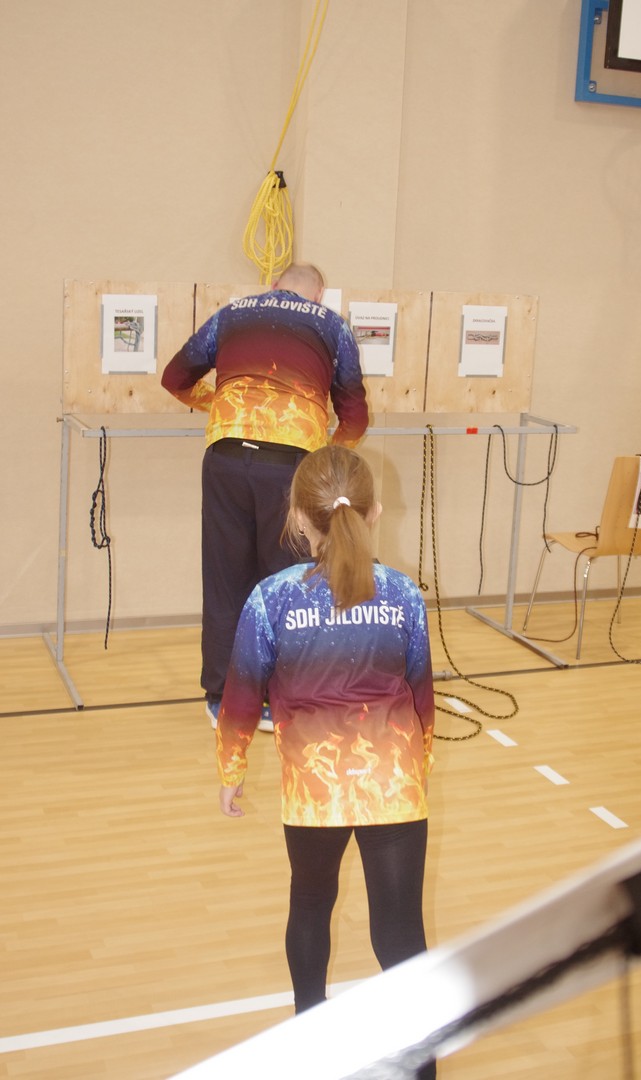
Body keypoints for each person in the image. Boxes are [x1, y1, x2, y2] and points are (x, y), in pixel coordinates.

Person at [216, 445, 437, 1079]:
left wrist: (231, 772)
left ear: (295, 516)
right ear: (375, 512)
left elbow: (239, 699)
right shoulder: (404, 595)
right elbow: (422, 697)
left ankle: (309, 1048)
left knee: (310, 904)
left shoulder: (271, 599)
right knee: (400, 933)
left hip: (313, 791)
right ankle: (421, 1068)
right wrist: (416, 766)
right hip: (395, 785)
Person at [161, 263, 368, 730]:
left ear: (273, 285)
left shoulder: (232, 313)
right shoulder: (332, 326)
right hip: (290, 463)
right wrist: (331, 451)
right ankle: (279, 699)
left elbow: (174, 377)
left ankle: (222, 700)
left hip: (225, 455)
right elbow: (354, 412)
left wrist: (217, 404)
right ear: (318, 295)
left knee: (225, 579)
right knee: (287, 581)